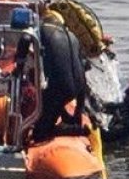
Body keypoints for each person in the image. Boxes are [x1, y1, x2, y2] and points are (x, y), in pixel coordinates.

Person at [31, 11, 88, 143]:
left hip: (60, 87)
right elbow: (81, 71)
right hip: (77, 86)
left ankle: (77, 130)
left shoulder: (41, 31)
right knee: (56, 99)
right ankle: (72, 122)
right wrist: (79, 110)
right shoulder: (72, 36)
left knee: (39, 134)